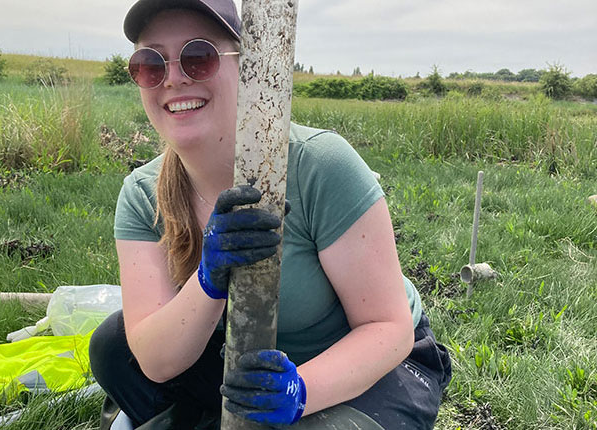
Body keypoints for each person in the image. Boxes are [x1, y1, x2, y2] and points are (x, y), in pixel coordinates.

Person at [89, 0, 452, 429]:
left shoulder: (319, 165)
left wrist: (303, 390)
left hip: (373, 364)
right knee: (115, 346)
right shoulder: (142, 194)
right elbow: (155, 360)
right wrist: (208, 279)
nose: (173, 78)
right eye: (151, 63)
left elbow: (388, 329)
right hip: (246, 361)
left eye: (198, 57)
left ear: (246, 66)